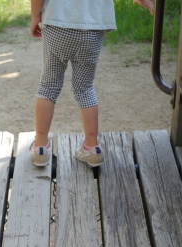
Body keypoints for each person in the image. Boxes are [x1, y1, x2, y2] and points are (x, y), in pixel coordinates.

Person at [29, 0, 116, 167]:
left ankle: (40, 147)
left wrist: (35, 16)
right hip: (92, 28)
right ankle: (92, 147)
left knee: (48, 86)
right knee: (85, 88)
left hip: (57, 24)